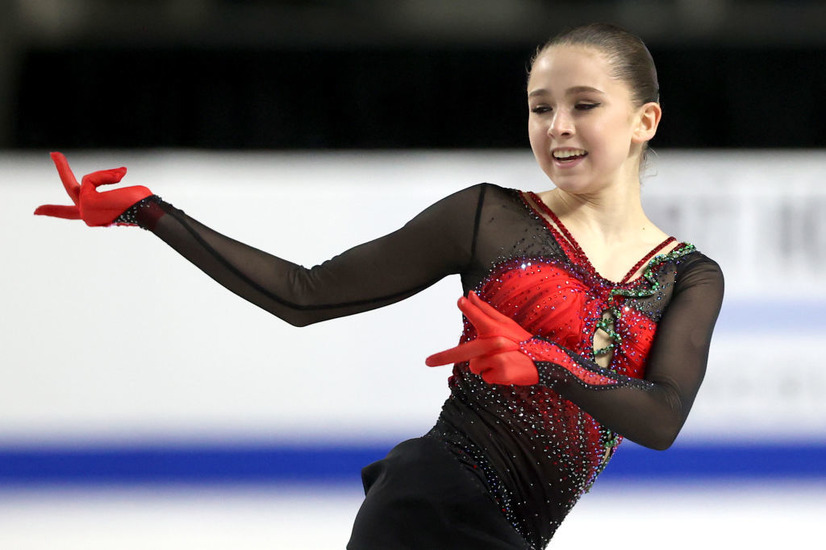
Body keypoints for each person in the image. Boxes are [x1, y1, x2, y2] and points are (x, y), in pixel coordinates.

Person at [35, 23, 724, 550]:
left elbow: (660, 419)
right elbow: (305, 293)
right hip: (431, 508)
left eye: (584, 104)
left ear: (645, 122)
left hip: (508, 531)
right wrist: (153, 215)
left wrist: (544, 361)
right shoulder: (487, 216)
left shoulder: (686, 276)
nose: (558, 127)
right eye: (540, 107)